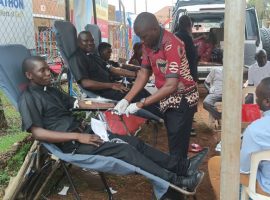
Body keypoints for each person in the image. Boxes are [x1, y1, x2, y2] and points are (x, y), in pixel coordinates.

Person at [18, 56, 208, 194]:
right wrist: (78, 136)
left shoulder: (50, 90)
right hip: (72, 144)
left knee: (135, 143)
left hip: (87, 133)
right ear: (29, 75)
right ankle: (178, 181)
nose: (47, 72)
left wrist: (110, 104)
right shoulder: (28, 99)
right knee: (127, 152)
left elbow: (79, 103)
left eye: (46, 68)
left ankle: (181, 167)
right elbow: (38, 133)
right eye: (41, 70)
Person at [113, 12, 199, 159]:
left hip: (183, 99)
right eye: (140, 36)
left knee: (177, 144)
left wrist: (141, 104)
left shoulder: (172, 44)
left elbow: (171, 85)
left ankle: (179, 176)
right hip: (168, 98)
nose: (142, 40)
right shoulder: (148, 45)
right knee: (174, 139)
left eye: (144, 36)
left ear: (154, 29)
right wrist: (126, 99)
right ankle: (178, 172)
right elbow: (143, 74)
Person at [70, 31, 161, 117]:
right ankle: (160, 116)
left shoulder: (93, 56)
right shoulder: (77, 58)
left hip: (112, 86)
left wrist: (136, 74)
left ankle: (161, 109)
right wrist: (111, 85)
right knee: (136, 95)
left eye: (92, 40)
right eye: (86, 41)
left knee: (140, 90)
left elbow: (113, 69)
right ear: (78, 42)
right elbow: (86, 83)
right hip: (103, 92)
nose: (90, 43)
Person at [208, 77, 270, 199]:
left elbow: (244, 169)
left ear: (267, 101)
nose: (255, 101)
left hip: (266, 189)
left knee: (215, 164)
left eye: (257, 98)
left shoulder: (256, 130)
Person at [175, 15, 198, 137]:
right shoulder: (185, 37)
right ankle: (187, 128)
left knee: (184, 102)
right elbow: (191, 56)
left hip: (181, 75)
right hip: (187, 75)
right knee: (188, 102)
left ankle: (185, 126)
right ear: (188, 25)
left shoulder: (177, 35)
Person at [175, 15, 198, 82]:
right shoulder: (187, 37)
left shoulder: (175, 36)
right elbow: (192, 56)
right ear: (189, 25)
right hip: (188, 73)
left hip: (178, 73)